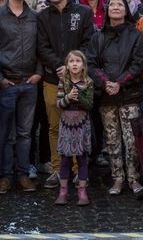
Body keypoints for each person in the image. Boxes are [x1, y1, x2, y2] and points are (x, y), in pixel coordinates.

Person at [0, 0, 42, 194]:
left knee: (25, 133)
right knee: (5, 134)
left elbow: (41, 47)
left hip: (29, 83)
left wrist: (38, 72)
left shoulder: (35, 16)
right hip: (7, 83)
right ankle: (5, 175)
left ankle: (23, 174)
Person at [36, 0, 94, 188]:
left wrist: (72, 66)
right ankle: (57, 169)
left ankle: (80, 171)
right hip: (53, 77)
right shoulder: (42, 17)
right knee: (54, 126)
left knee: (78, 123)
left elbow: (89, 42)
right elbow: (41, 46)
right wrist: (59, 66)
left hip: (79, 78)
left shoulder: (83, 12)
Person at [87, 0, 143, 196]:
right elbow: (91, 64)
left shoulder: (135, 34)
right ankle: (118, 177)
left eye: (119, 4)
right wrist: (106, 83)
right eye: (111, 4)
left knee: (131, 141)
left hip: (130, 94)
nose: (115, 7)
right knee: (112, 140)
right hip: (106, 96)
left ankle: (133, 177)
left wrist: (120, 82)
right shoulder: (98, 36)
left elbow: (138, 63)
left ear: (126, 10)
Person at [54, 50, 94, 206]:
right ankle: (63, 191)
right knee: (65, 159)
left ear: (83, 66)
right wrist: (68, 97)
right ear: (67, 65)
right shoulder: (63, 82)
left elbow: (89, 104)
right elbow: (58, 104)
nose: (75, 64)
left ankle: (82, 191)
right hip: (66, 123)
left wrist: (79, 97)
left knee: (82, 158)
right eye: (71, 61)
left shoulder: (88, 82)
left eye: (78, 61)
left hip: (82, 124)